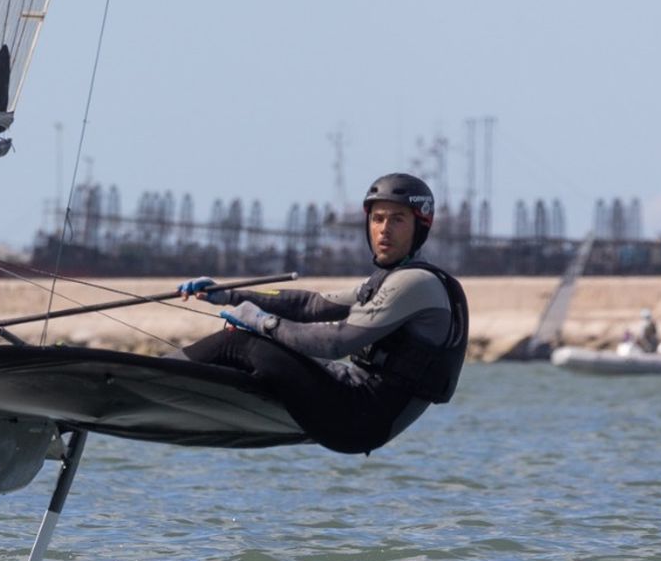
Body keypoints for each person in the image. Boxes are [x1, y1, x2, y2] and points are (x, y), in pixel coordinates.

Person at [174, 172, 468, 455]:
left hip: (360, 418)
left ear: (420, 226)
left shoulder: (416, 283)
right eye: (377, 219)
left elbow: (336, 343)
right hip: (357, 408)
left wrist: (261, 321)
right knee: (255, 353)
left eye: (397, 220)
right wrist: (229, 294)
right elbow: (311, 306)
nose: (384, 229)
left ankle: (150, 375)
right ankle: (175, 389)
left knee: (240, 344)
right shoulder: (393, 279)